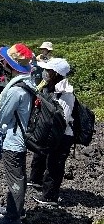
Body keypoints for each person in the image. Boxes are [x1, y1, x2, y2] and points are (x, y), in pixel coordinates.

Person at [0, 43, 36, 224]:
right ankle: (16, 209)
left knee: (15, 177)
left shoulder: (15, 90)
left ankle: (13, 217)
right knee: (19, 176)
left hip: (13, 140)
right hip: (22, 138)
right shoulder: (30, 83)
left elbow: (3, 117)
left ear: (11, 66)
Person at [28, 58, 75, 207]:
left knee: (55, 165)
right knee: (44, 158)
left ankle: (50, 197)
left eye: (48, 71)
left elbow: (63, 119)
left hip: (62, 135)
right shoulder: (49, 87)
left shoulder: (66, 94)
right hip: (52, 132)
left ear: (55, 74)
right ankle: (36, 181)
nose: (44, 73)